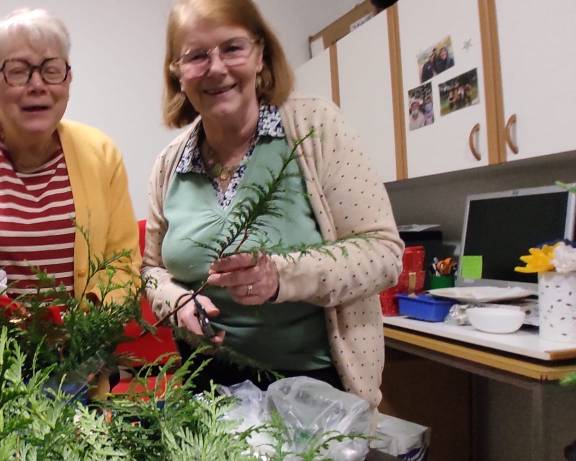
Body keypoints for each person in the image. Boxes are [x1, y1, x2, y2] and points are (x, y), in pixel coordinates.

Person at [142, 0, 403, 408]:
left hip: (317, 383)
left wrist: (281, 277)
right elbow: (152, 269)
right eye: (196, 56)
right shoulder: (169, 164)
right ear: (177, 72)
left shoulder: (315, 128)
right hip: (207, 384)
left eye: (232, 48)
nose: (216, 68)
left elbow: (383, 254)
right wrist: (176, 302)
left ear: (260, 54)